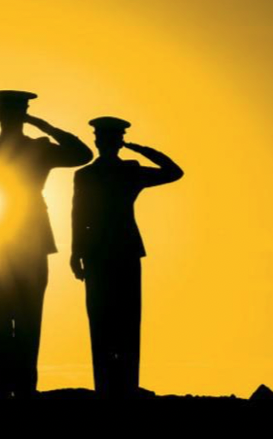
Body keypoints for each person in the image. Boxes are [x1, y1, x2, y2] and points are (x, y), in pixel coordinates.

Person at [0, 90, 93, 401]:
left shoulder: (15, 149)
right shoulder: (4, 150)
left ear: (1, 115)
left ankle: (16, 389)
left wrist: (43, 126)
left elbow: (83, 155)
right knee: (15, 316)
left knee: (18, 316)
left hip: (19, 238)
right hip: (8, 238)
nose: (7, 117)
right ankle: (9, 389)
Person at [71, 116, 183, 398]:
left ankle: (121, 385)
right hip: (112, 250)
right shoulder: (97, 174)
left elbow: (174, 173)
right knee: (111, 318)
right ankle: (114, 386)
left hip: (111, 250)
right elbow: (78, 214)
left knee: (119, 318)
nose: (104, 143)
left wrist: (77, 252)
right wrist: (76, 252)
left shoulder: (114, 172)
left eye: (108, 139)